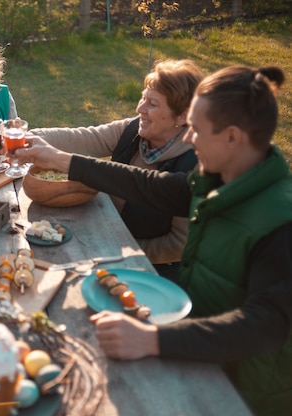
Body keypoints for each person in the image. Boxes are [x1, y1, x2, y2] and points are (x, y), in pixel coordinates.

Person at [18, 65, 292, 415]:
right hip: (198, 355)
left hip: (245, 392)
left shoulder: (279, 221)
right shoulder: (217, 180)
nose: (189, 139)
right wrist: (65, 161)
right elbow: (150, 186)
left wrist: (152, 339)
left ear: (233, 137)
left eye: (197, 130)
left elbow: (264, 328)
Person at [30, 59, 204, 280]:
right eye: (143, 98)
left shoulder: (194, 166)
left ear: (182, 116)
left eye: (152, 104)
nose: (140, 108)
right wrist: (29, 136)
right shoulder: (133, 129)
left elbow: (179, 245)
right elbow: (86, 137)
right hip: (104, 242)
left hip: (152, 271)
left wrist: (117, 249)